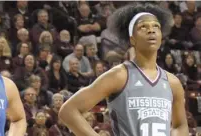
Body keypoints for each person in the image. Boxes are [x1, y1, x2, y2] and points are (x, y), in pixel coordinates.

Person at [59, 3, 188, 136]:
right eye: (143, 27)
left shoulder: (173, 82)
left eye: (156, 26)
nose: (151, 30)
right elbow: (68, 111)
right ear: (132, 39)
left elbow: (180, 125)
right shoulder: (119, 76)